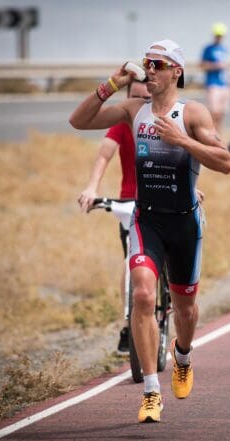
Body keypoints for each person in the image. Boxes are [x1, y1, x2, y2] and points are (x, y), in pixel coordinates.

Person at [70, 39, 230, 423]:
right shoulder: (133, 110)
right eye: (147, 64)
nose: (151, 70)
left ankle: (183, 355)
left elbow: (225, 162)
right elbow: (79, 121)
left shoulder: (191, 112)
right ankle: (150, 391)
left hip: (184, 224)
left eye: (158, 64)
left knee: (185, 310)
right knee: (142, 293)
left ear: (176, 70)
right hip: (147, 220)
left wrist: (182, 141)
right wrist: (112, 81)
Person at [77, 77, 151, 355]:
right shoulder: (122, 122)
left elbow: (180, 160)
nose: (141, 104)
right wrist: (92, 187)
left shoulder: (163, 119)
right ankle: (129, 321)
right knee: (130, 259)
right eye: (135, 98)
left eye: (146, 99)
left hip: (162, 199)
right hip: (130, 200)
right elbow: (104, 155)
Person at [200, 22, 230, 134]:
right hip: (213, 84)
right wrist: (215, 66)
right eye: (217, 35)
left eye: (221, 35)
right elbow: (202, 65)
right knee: (214, 112)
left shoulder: (224, 49)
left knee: (221, 113)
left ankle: (219, 135)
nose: (219, 38)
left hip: (224, 84)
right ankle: (212, 134)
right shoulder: (208, 49)